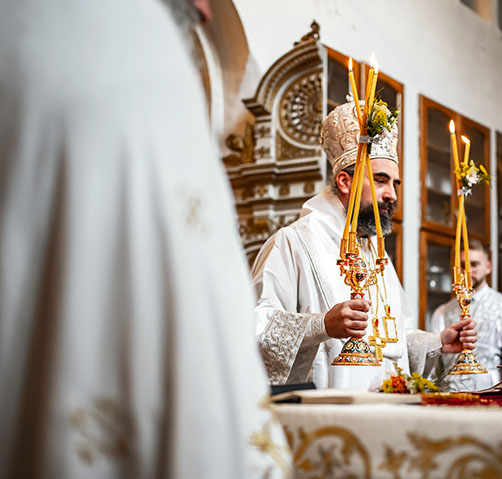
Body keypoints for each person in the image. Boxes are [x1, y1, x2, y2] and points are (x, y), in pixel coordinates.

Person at [0, 1, 287, 477]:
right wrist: (321, 325)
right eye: (382, 181)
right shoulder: (130, 46)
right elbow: (232, 333)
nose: (206, 12)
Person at [252, 101, 477, 389]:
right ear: (344, 181)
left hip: (385, 407)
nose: (392, 195)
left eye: (395, 184)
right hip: (327, 409)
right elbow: (256, 327)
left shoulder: (374, 250)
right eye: (381, 180)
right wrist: (322, 325)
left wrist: (438, 343)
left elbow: (393, 339)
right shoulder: (293, 242)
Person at [429, 240, 502, 391]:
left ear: (488, 267)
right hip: (448, 396)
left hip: (492, 395)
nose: (468, 271)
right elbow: (433, 368)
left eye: (474, 264)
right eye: (463, 265)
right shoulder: (442, 312)